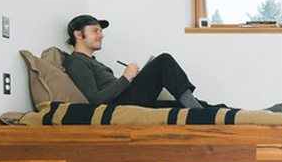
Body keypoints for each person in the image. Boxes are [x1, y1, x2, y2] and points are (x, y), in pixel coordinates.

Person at [63, 14, 203, 109]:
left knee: (177, 106)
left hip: (126, 97)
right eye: (96, 31)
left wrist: (134, 77)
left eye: (101, 31)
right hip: (120, 104)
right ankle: (197, 111)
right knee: (163, 61)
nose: (101, 35)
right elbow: (95, 100)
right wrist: (126, 77)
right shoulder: (76, 61)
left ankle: (205, 110)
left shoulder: (93, 61)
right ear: (78, 34)